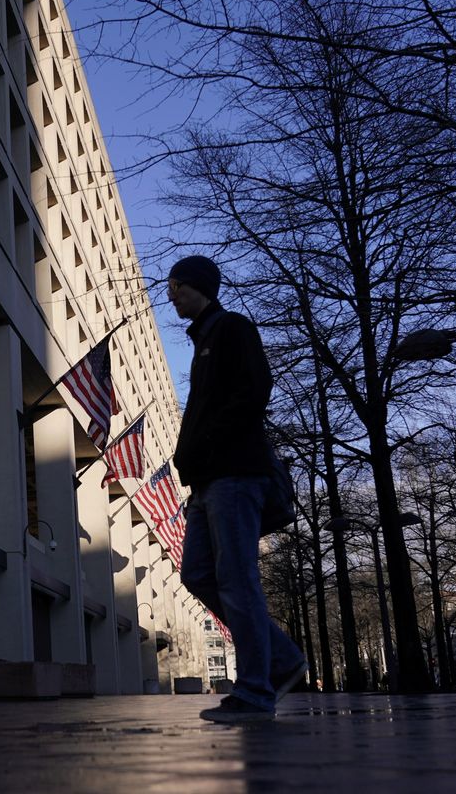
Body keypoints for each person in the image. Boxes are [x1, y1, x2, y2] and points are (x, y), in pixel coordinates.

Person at [167, 255, 308, 723]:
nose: (172, 295)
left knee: (236, 578)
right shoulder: (203, 339)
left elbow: (254, 390)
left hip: (234, 474)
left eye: (179, 286)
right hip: (208, 480)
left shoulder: (231, 328)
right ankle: (283, 660)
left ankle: (254, 692)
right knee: (197, 574)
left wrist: (205, 443)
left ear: (203, 287)